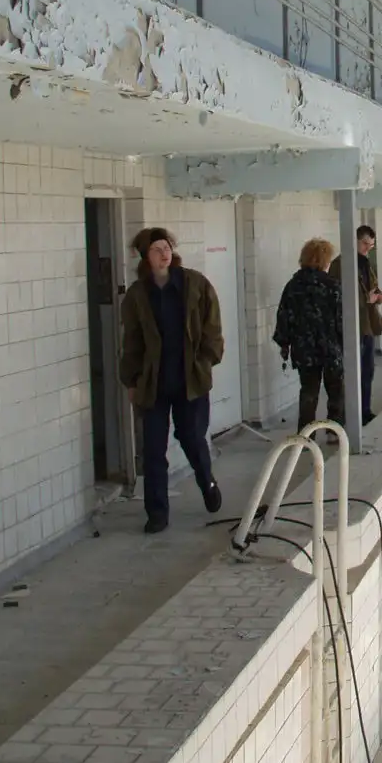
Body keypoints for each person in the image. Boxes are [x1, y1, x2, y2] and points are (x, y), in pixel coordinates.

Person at [120, 227, 224, 534]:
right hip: (153, 383)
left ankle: (207, 481)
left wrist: (205, 360)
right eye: (156, 250)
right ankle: (157, 513)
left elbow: (212, 327)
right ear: (146, 257)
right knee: (153, 449)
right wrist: (131, 380)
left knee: (191, 437)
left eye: (166, 247)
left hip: (190, 379)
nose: (164, 253)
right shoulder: (137, 295)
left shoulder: (195, 284)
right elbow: (132, 342)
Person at [273, 238, 345, 435]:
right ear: (324, 260)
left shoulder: (293, 286)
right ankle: (335, 432)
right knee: (336, 390)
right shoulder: (332, 285)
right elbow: (341, 318)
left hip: (304, 349)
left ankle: (306, 436)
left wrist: (284, 343)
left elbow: (284, 316)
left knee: (308, 392)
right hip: (331, 348)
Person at [330, 226, 382, 427]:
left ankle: (364, 410)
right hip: (351, 325)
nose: (367, 249)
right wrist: (366, 299)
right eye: (364, 244)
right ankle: (349, 414)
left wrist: (379, 296)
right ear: (354, 241)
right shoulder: (340, 265)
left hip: (367, 324)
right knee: (351, 373)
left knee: (367, 370)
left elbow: (373, 287)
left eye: (371, 246)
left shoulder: (364, 263)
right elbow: (337, 297)